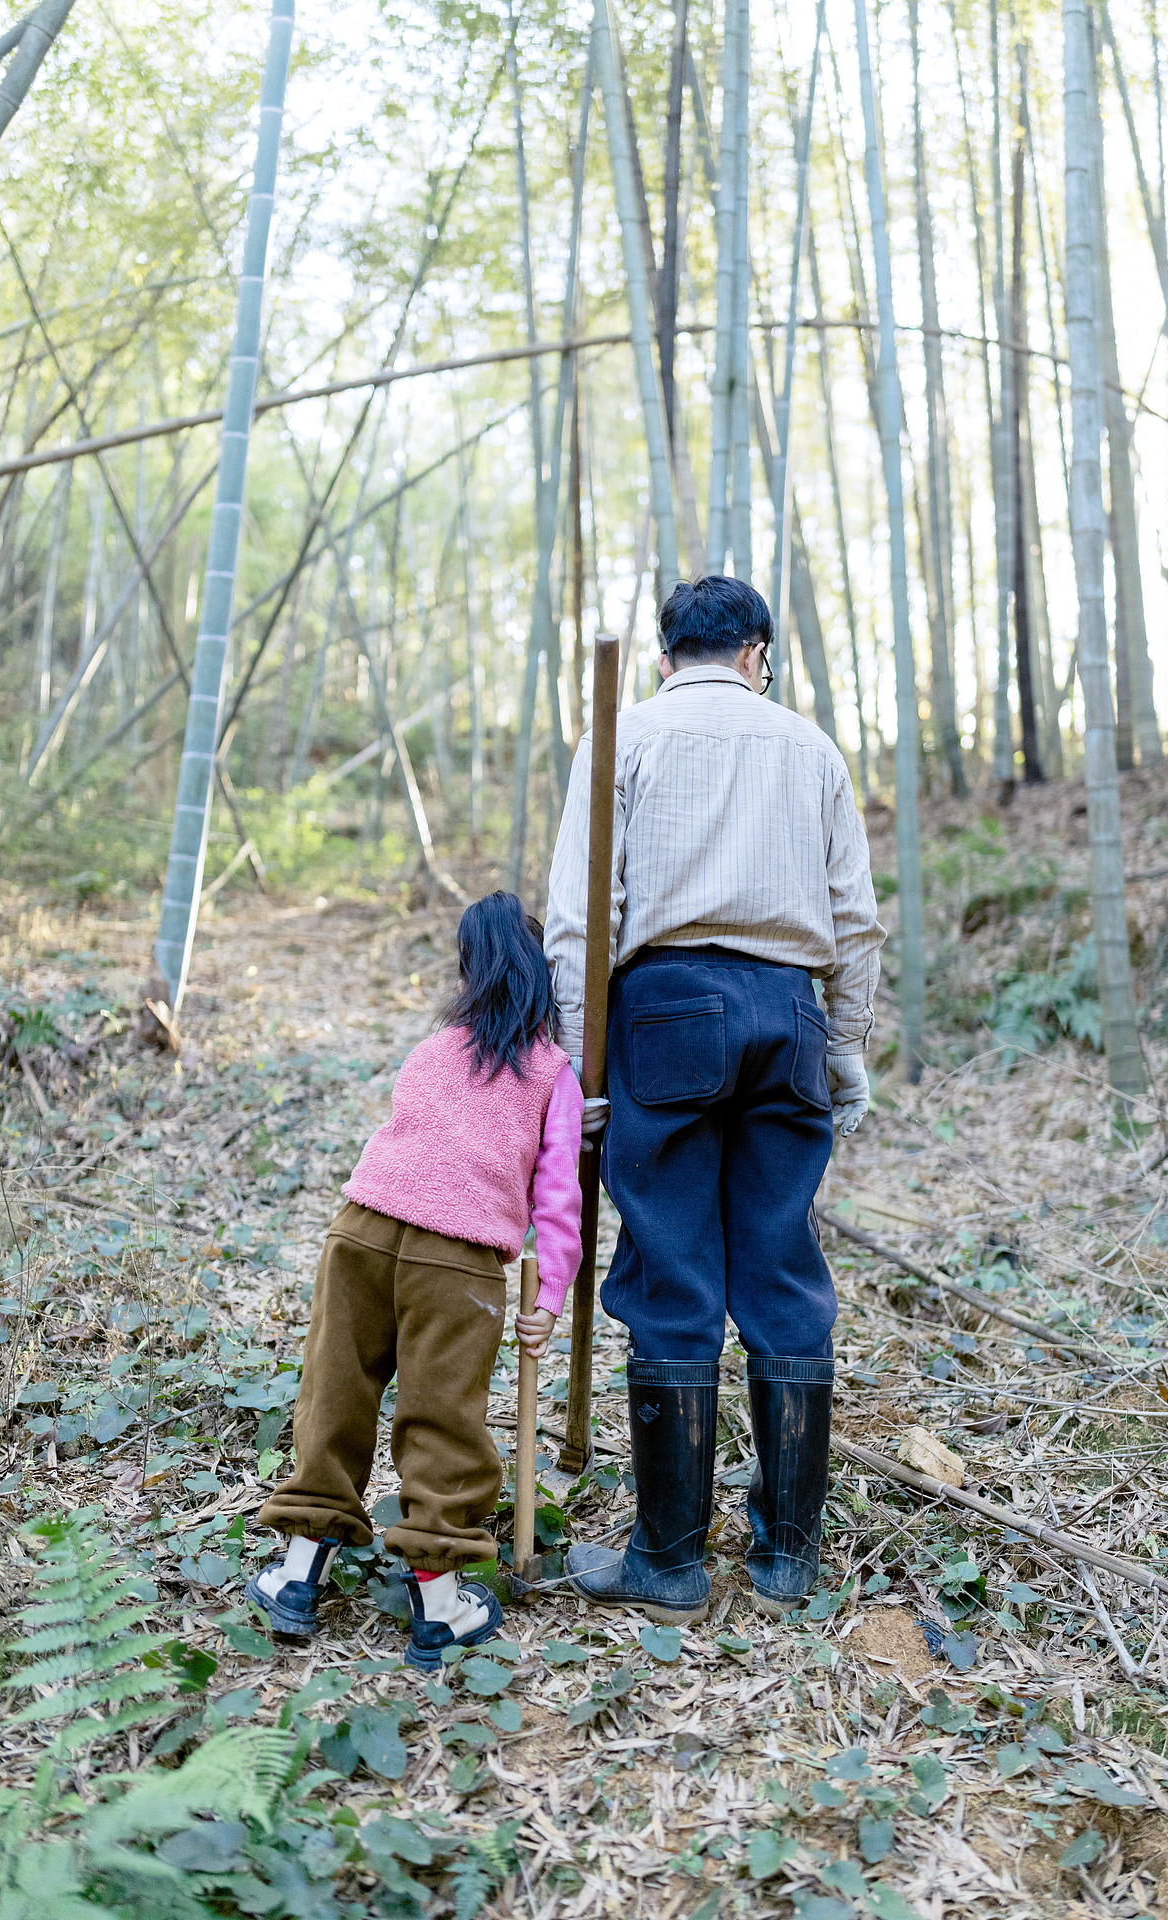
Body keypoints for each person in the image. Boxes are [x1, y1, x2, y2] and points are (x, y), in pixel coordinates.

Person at [544, 576, 884, 1624]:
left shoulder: (624, 738)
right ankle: (785, 1558)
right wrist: (843, 1050)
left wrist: (577, 1073)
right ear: (756, 653)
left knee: (670, 1269)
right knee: (781, 1263)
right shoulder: (810, 748)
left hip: (666, 1015)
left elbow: (576, 924)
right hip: (787, 1010)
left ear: (665, 655)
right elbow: (853, 923)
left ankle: (672, 1561)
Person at [248, 892, 583, 1667]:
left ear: (467, 973)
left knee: (336, 1389)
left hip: (360, 1229)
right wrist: (548, 1297)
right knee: (442, 1417)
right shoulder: (552, 1073)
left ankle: (299, 1575)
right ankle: (439, 1610)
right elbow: (558, 1197)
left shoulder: (433, 1050)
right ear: (544, 977)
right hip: (457, 1259)